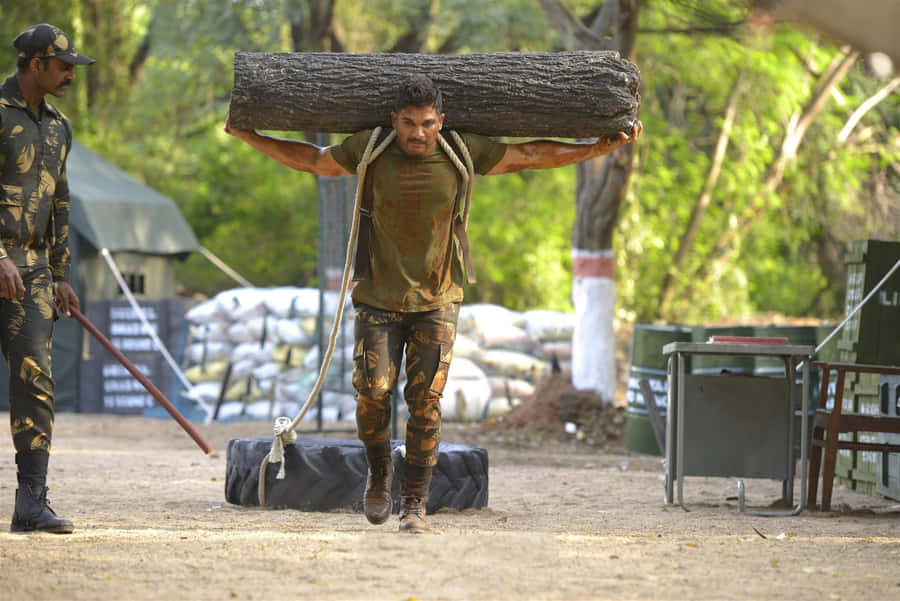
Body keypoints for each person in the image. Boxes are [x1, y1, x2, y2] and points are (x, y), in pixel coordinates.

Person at [226, 74, 641, 533]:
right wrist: (250, 136)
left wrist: (595, 149)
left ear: (440, 121)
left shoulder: (462, 150)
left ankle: (414, 501)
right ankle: (380, 473)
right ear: (394, 120)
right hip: (377, 299)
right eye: (408, 123)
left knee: (426, 402)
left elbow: (530, 155)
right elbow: (315, 161)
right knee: (371, 393)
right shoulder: (373, 148)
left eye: (426, 123)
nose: (417, 133)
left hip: (438, 300)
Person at [1, 24, 94, 534]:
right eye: (62, 66)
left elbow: (60, 202)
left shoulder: (59, 126)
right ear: (34, 64)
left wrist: (59, 274)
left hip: (33, 272)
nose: (70, 76)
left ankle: (31, 504)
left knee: (35, 382)